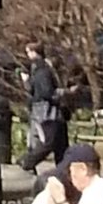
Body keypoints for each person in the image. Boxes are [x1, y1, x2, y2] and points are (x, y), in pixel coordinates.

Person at [21, 41, 69, 172]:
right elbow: (46, 91)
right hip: (50, 111)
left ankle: (28, 162)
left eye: (29, 52)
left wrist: (26, 82)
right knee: (55, 142)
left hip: (45, 111)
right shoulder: (43, 69)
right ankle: (62, 168)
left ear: (35, 52)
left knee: (51, 141)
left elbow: (42, 91)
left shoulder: (40, 69)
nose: (28, 55)